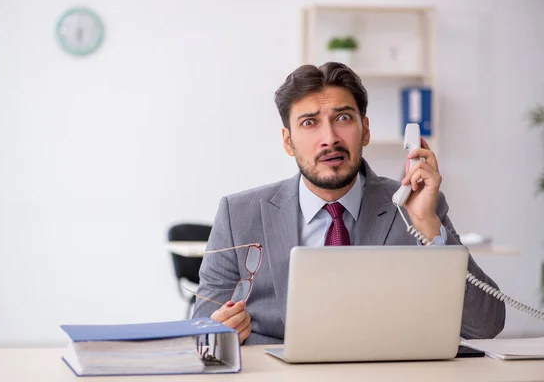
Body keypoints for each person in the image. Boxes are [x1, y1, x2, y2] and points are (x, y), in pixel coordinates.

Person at [191, 62, 506, 344]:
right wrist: (216, 331)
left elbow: (486, 325)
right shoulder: (239, 215)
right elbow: (202, 333)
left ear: (365, 130)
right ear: (288, 141)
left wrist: (428, 227)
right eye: (310, 122)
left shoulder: (418, 207)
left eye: (343, 118)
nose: (330, 138)